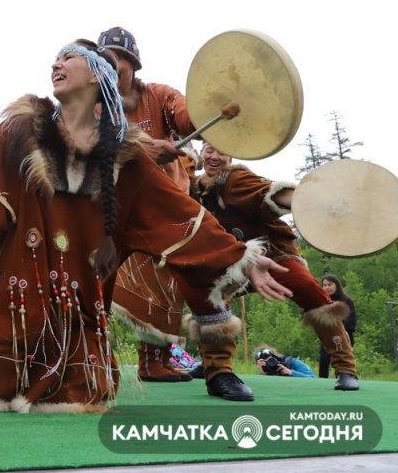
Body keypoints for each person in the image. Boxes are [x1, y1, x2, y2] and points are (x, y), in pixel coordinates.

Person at [0, 39, 291, 412]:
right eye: (55, 59)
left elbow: (178, 215)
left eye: (68, 58)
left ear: (96, 77)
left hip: (78, 299)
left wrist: (240, 258)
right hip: (14, 290)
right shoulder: (21, 129)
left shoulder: (127, 159)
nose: (56, 64)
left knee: (80, 390)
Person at [193, 142, 359, 390]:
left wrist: (313, 202)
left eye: (223, 150)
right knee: (205, 296)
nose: (215, 156)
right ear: (201, 152)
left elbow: (269, 192)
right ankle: (214, 365)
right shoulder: (193, 189)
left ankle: (346, 368)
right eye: (209, 150)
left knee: (309, 289)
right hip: (233, 261)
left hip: (274, 254)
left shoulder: (237, 178)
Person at [98, 27, 201, 383]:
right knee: (104, 283)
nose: (110, 66)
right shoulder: (93, 105)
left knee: (168, 284)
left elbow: (189, 118)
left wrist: (210, 111)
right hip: (113, 211)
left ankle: (156, 360)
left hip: (164, 204)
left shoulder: (158, 96)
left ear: (132, 64)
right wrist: (144, 150)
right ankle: (95, 357)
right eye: (103, 60)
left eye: (116, 58)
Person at [319, 274, 357, 378]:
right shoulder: (323, 300)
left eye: (329, 285)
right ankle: (322, 381)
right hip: (327, 336)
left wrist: (341, 329)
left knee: (344, 360)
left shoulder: (346, 300)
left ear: (337, 285)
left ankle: (348, 378)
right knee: (324, 360)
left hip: (344, 335)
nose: (326, 287)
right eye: (324, 285)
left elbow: (351, 320)